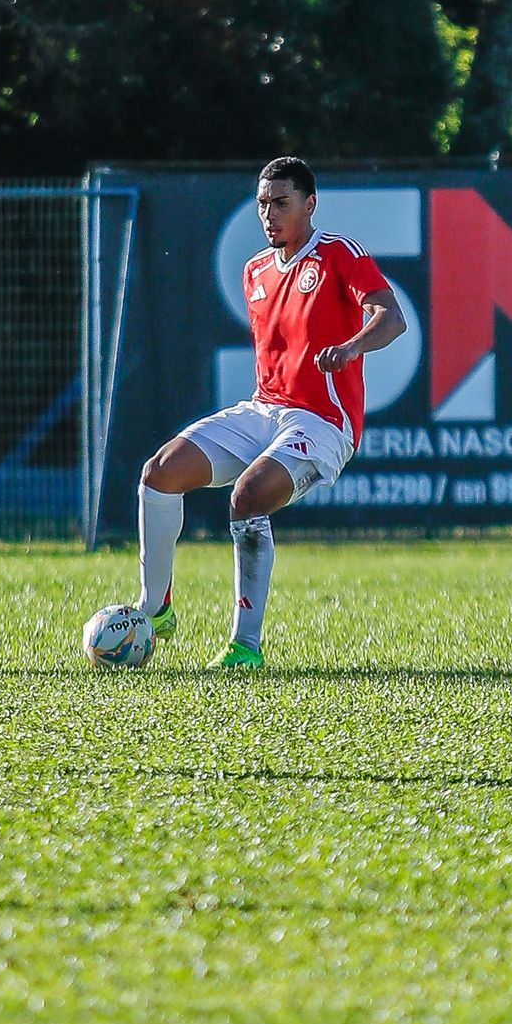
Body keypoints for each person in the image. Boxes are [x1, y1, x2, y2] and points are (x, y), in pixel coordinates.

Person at [137, 156, 405, 668]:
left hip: (322, 421)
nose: (269, 214)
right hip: (264, 410)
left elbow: (392, 318)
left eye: (281, 203)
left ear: (310, 204)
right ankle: (155, 608)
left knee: (249, 496)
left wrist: (351, 348)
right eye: (263, 204)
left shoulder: (336, 254)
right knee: (158, 474)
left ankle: (245, 647)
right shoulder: (255, 270)